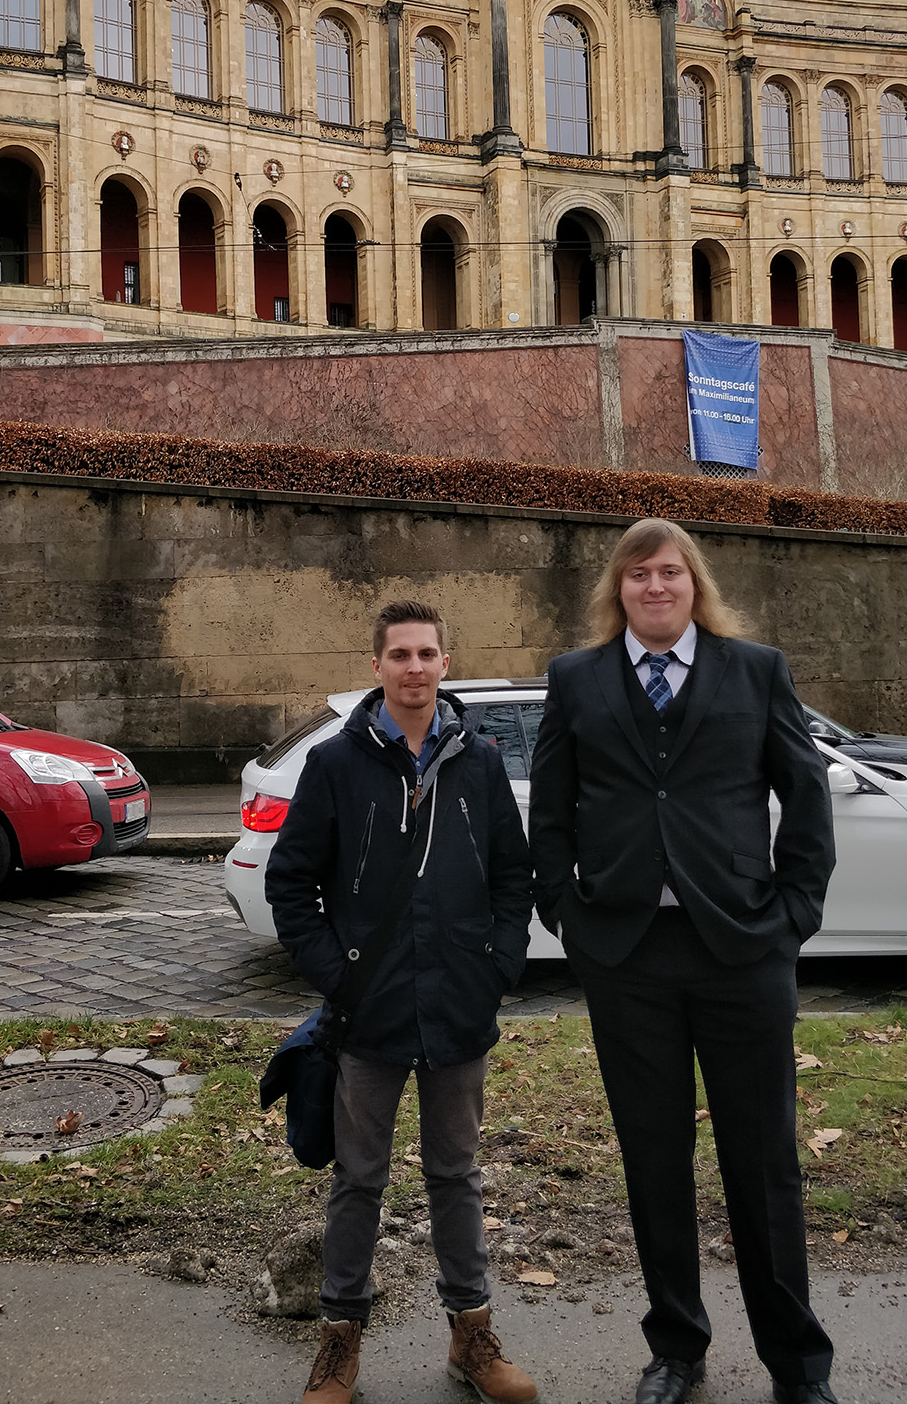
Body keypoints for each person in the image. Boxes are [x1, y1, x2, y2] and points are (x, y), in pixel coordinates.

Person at [529, 520, 838, 1404]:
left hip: (742, 950)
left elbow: (804, 794)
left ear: (692, 583)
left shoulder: (756, 670)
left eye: (669, 572)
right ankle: (675, 1347)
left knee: (763, 1160)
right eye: (638, 574)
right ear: (617, 590)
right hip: (626, 956)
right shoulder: (576, 679)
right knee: (652, 1156)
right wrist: (570, 918)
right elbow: (548, 813)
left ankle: (796, 1364)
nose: (654, 586)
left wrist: (792, 914)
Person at [266, 599, 537, 1404]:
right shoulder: (336, 765)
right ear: (375, 665)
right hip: (369, 1014)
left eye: (427, 654)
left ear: (445, 664)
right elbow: (291, 882)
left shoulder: (479, 762)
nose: (414, 667)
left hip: (459, 1009)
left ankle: (471, 1337)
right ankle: (338, 1343)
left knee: (456, 1175)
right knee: (358, 1179)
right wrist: (337, 975)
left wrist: (498, 966)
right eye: (400, 655)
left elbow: (512, 879)